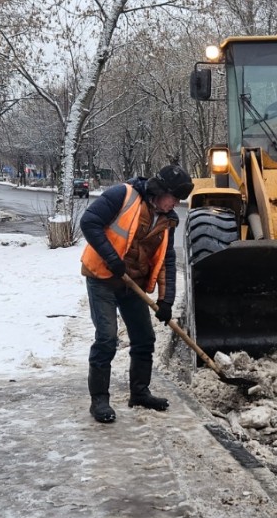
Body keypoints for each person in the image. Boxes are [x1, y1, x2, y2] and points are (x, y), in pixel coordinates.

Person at [78, 164, 195, 424]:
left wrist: (166, 301)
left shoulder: (168, 220)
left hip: (133, 284)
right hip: (102, 278)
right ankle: (99, 400)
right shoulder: (122, 195)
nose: (175, 204)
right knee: (107, 338)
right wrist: (112, 258)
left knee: (144, 338)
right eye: (174, 197)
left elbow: (166, 259)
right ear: (160, 190)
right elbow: (89, 222)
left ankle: (140, 393)